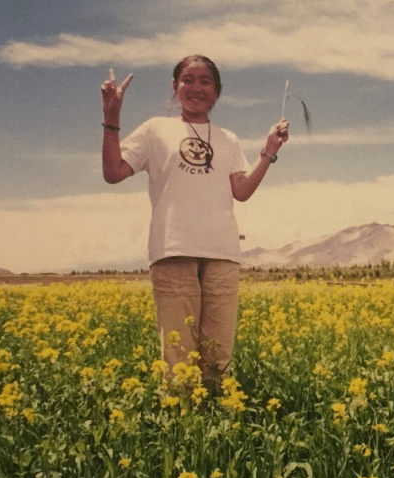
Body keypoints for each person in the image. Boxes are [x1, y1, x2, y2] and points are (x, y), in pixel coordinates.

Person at [101, 55, 288, 395]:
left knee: (218, 356)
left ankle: (216, 429)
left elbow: (241, 190)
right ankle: (182, 426)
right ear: (175, 88)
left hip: (223, 255)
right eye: (188, 80)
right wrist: (111, 118)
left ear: (216, 93)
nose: (196, 88)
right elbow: (113, 172)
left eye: (205, 82)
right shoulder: (155, 129)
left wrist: (268, 152)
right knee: (178, 359)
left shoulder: (228, 138)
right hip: (173, 251)